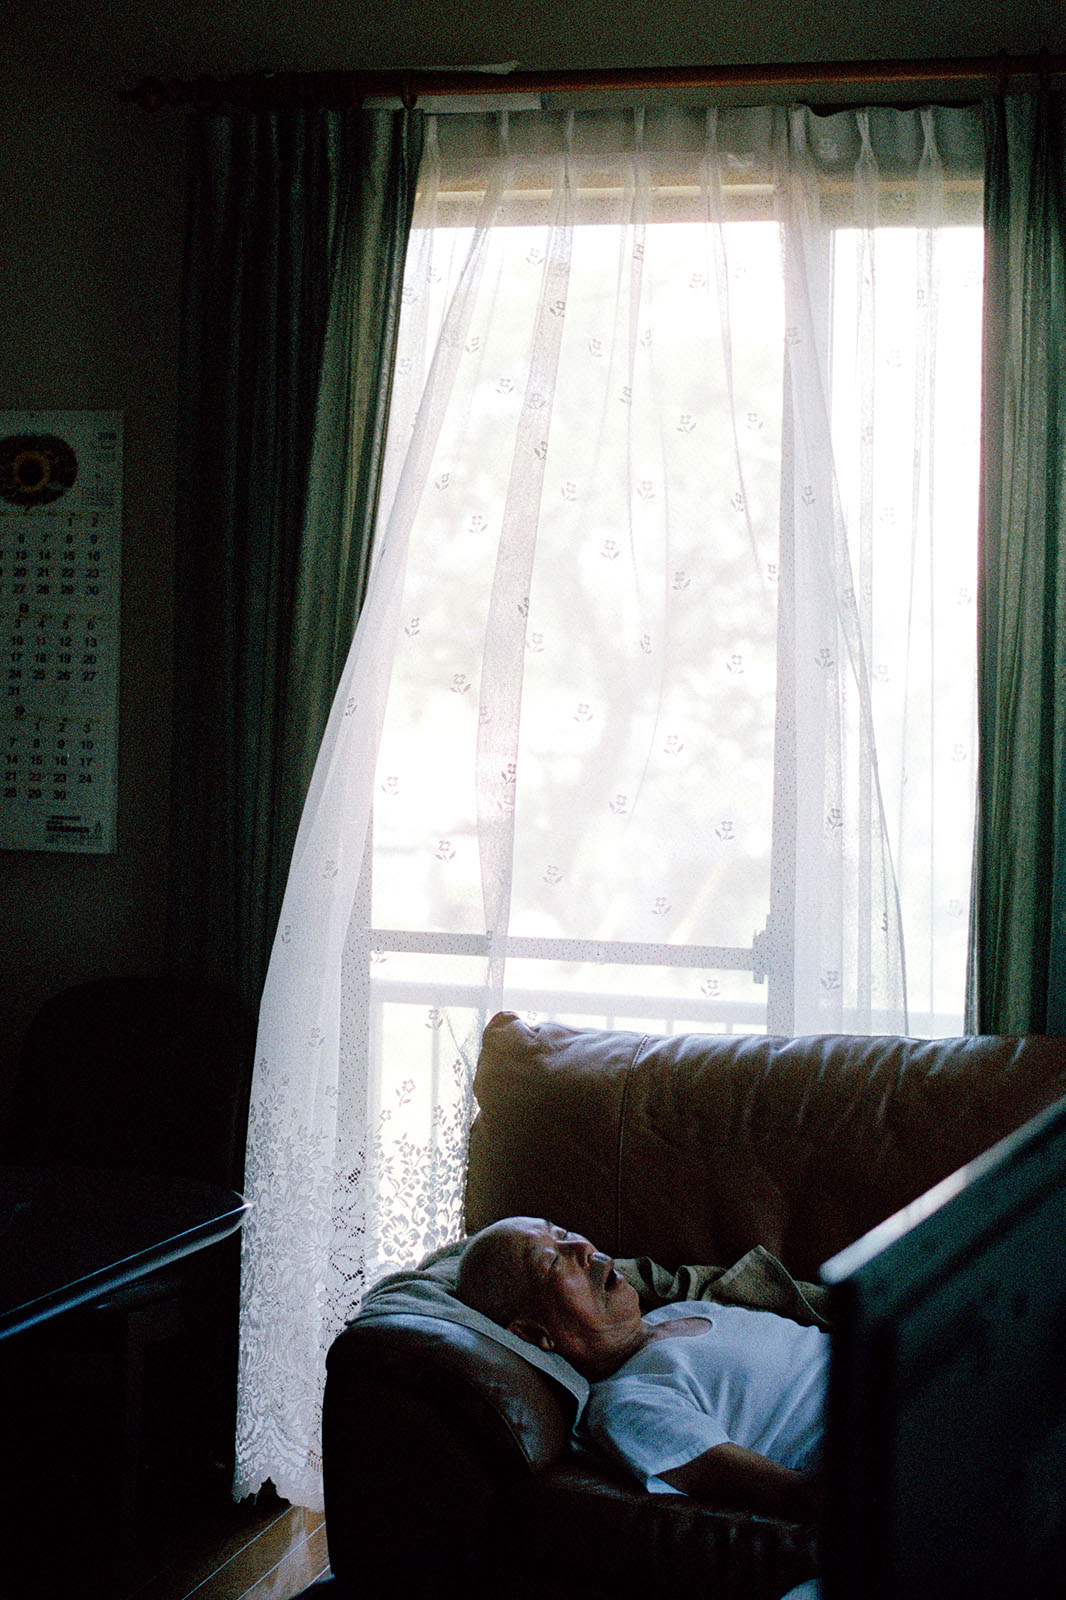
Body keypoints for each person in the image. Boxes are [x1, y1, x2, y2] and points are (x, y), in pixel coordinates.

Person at [456, 1215, 826, 1521]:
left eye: (565, 1234)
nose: (583, 1248)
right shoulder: (627, 1406)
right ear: (535, 1333)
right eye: (553, 1261)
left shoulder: (678, 1309)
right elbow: (796, 1493)